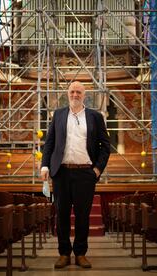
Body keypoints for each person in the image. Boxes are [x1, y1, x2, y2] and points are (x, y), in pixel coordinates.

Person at [41, 81, 110, 269]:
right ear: (67, 93)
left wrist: (97, 170)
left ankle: (80, 253)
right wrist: (45, 166)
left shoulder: (95, 117)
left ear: (84, 95)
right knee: (61, 215)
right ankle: (64, 253)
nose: (75, 95)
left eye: (78, 92)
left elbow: (106, 146)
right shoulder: (58, 115)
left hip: (85, 174)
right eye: (72, 91)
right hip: (61, 173)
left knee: (82, 215)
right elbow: (49, 143)